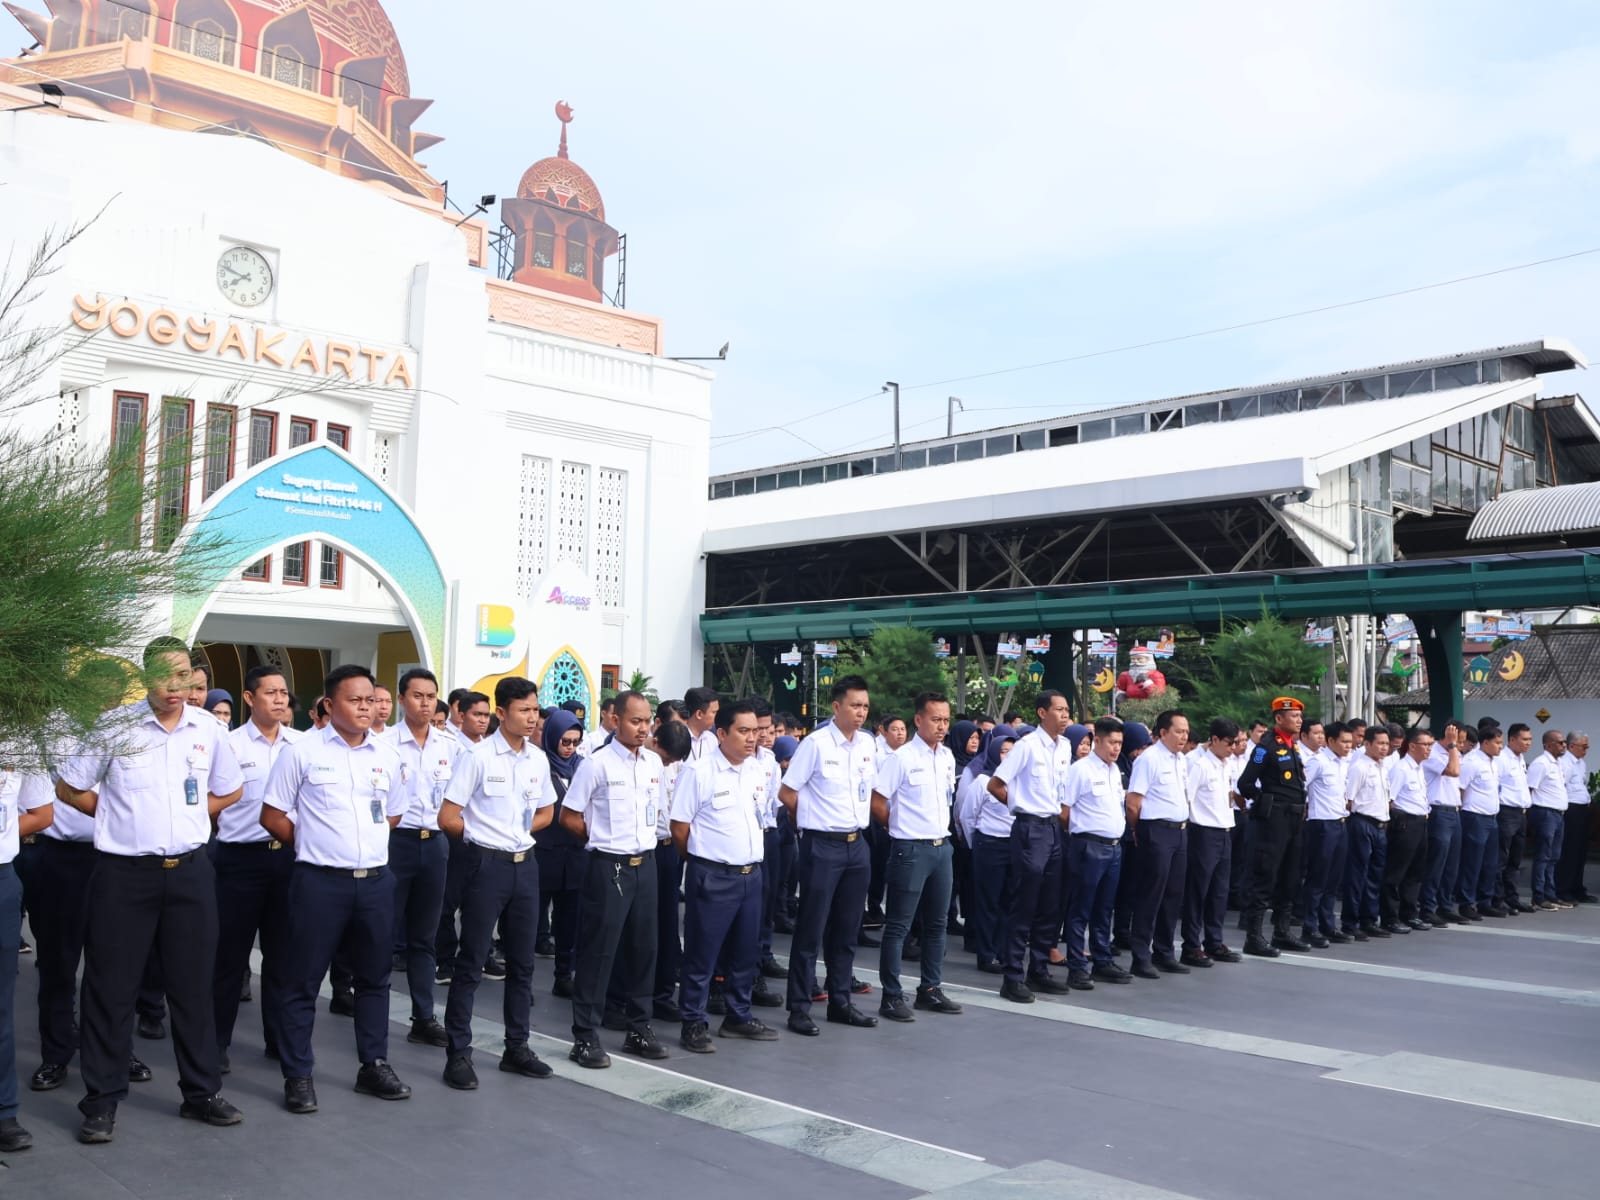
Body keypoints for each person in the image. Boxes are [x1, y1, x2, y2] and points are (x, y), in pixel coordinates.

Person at [54, 637, 245, 1143]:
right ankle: (101, 1102)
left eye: (185, 676)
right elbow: (68, 785)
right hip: (123, 876)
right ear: (146, 678)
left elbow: (231, 788)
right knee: (109, 989)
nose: (177, 687)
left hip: (190, 873)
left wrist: (189, 819)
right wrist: (113, 815)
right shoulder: (114, 727)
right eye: (166, 677)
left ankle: (201, 1093)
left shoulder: (209, 730)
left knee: (192, 986)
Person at [261, 664, 410, 1115]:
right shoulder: (302, 752)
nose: (366, 708)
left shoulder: (386, 756)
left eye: (370, 700)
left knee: (374, 979)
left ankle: (374, 1064)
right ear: (330, 704)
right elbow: (272, 815)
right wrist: (313, 843)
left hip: (376, 884)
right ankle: (298, 1074)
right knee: (302, 981)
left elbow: (395, 814)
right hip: (319, 883)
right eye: (355, 700)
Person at [438, 677, 557, 1089]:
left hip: (525, 866)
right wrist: (478, 840)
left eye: (535, 710)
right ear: (501, 713)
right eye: (523, 710)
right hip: (485, 865)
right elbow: (448, 815)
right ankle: (458, 1053)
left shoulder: (538, 759)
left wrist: (519, 832)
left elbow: (546, 812)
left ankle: (517, 1048)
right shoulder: (478, 757)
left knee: (523, 964)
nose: (531, 718)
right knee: (471, 962)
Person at [561, 691, 669, 1068]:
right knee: (599, 951)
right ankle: (585, 1036)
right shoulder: (597, 764)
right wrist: (599, 841)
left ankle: (639, 1028)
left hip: (646, 863)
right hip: (609, 865)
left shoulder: (654, 763)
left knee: (644, 949)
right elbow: (570, 815)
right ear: (616, 721)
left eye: (647, 721)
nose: (643, 728)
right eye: (635, 721)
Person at [671, 699, 779, 1052]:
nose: (753, 739)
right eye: (743, 731)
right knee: (702, 955)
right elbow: (680, 827)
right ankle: (693, 1022)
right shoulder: (699, 772)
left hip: (751, 875)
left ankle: (738, 1015)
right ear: (722, 733)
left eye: (756, 731)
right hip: (713, 874)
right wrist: (704, 861)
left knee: (746, 952)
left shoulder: (756, 770)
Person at [213, 666, 301, 1074]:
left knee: (283, 957)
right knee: (229, 959)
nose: (280, 700)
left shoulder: (302, 745)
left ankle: (278, 1040)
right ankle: (215, 1044)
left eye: (284, 693)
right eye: (271, 693)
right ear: (249, 699)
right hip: (238, 861)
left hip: (287, 857)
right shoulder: (227, 745)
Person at [780, 675, 879, 1035]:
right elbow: (788, 792)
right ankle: (799, 1007)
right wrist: (808, 823)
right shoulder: (817, 744)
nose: (861, 712)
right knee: (811, 927)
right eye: (855, 705)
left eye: (865, 706)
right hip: (822, 845)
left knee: (847, 928)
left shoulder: (868, 744)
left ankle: (841, 1001)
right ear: (836, 706)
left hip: (857, 844)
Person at [378, 668, 457, 1049]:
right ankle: (372, 1012)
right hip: (396, 843)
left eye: (430, 696)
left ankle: (423, 1018)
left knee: (424, 937)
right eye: (417, 696)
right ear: (401, 699)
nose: (425, 703)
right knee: (383, 931)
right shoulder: (384, 743)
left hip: (435, 843)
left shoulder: (449, 746)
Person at [871, 692, 963, 1022]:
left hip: (942, 848)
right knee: (898, 925)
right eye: (935, 719)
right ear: (919, 720)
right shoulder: (902, 758)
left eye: (946, 720)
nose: (941, 726)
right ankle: (892, 996)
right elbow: (879, 801)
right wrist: (899, 829)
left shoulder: (948, 757)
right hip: (910, 848)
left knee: (937, 924)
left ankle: (930, 989)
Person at [988, 691, 1075, 1003]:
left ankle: (1038, 970)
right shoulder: (1026, 746)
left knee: (1050, 905)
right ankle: (1012, 976)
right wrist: (1019, 806)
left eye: (1067, 710)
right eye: (1059, 710)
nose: (1065, 715)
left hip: (1053, 828)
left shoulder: (1064, 746)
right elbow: (995, 784)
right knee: (1024, 904)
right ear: (1042, 713)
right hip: (1029, 829)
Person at [0, 764, 54, 1150]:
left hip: (1, 875)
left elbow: (41, 812)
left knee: (0, 1005)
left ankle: (4, 1111)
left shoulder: (17, 733)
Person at [1236, 696, 1310, 957]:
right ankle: (1254, 937)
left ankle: (1282, 930)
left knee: (1290, 876)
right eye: (1294, 716)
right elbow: (1245, 783)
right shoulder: (1263, 747)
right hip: (1273, 821)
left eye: (1300, 717)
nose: (1299, 721)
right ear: (1279, 718)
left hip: (1295, 820)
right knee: (1265, 876)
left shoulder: (1293, 746)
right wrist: (1264, 800)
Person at [1060, 717, 1130, 990]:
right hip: (1088, 845)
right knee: (1081, 908)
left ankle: (1102, 961)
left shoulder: (1115, 770)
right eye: (1112, 742)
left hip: (1113, 847)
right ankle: (1077, 966)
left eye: (1120, 743)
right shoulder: (1081, 770)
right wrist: (1081, 834)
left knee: (1104, 908)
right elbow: (1064, 811)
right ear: (1097, 740)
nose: (1116, 748)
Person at [1124, 710, 1192, 978]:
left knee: (1173, 894)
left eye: (1186, 732)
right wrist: (1138, 829)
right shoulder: (1149, 759)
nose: (1183, 736)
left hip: (1180, 831)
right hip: (1156, 829)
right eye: (1178, 731)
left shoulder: (1181, 760)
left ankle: (1164, 952)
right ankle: (1141, 956)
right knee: (1150, 894)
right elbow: (1133, 801)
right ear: (1162, 733)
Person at [1180, 717, 1241, 968]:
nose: (1233, 748)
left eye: (1236, 743)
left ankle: (1214, 941)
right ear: (1214, 739)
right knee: (1198, 891)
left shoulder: (1225, 763)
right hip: (1203, 832)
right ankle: (1191, 945)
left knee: (1219, 891)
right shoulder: (1198, 764)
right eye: (1229, 742)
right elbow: (1187, 799)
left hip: (1224, 830)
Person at [535, 710, 587, 997]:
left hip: (575, 854)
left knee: (570, 920)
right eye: (564, 742)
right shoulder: (539, 765)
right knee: (532, 919)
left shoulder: (582, 767)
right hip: (544, 853)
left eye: (575, 742)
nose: (569, 748)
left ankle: (564, 973)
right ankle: (522, 978)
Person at [963, 727, 1017, 974]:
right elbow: (967, 817)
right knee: (988, 903)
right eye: (1004, 751)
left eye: (1013, 752)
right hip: (989, 845)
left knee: (1009, 902)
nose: (1008, 756)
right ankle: (986, 954)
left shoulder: (1019, 781)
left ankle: (1004, 950)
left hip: (1014, 845)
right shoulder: (983, 781)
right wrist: (977, 844)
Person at [1300, 721, 1353, 947]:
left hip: (1340, 823)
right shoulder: (1318, 762)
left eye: (1351, 742)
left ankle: (1328, 925)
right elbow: (1302, 787)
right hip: (1321, 824)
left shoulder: (1343, 763)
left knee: (1333, 879)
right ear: (1331, 741)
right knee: (1317, 879)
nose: (1349, 746)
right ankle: (1309, 927)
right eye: (1344, 741)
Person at [1382, 727, 1433, 933]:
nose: (1430, 749)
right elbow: (1389, 799)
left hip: (1421, 821)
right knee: (1396, 872)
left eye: (1431, 745)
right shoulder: (1401, 769)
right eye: (1426, 745)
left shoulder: (1419, 768)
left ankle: (1409, 913)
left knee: (1416, 871)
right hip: (1405, 823)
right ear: (1412, 746)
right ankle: (1390, 917)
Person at [1342, 725, 1391, 939]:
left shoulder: (1383, 766)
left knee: (1374, 875)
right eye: (1379, 743)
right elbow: (1348, 800)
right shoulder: (1359, 766)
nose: (1384, 748)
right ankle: (1350, 922)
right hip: (1362, 823)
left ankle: (1369, 919)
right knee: (1357, 875)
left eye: (1386, 744)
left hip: (1380, 825)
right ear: (1367, 744)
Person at [1455, 725, 1504, 920]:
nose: (1501, 746)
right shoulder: (1472, 762)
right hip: (1474, 816)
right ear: (1485, 742)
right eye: (1498, 743)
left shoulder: (1493, 762)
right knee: (1472, 863)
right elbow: (1460, 788)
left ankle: (1485, 901)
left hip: (1491, 817)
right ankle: (1466, 903)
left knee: (1490, 863)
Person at [1419, 720, 1464, 925]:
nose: (1460, 745)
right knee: (1436, 863)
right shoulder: (1433, 754)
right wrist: (1452, 746)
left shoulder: (1454, 753)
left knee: (1452, 864)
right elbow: (1454, 772)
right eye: (1457, 740)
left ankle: (1445, 905)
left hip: (1454, 811)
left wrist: (1454, 749)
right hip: (1438, 811)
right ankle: (1428, 907)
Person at [1525, 731, 1568, 909]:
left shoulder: (1557, 763)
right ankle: (1539, 896)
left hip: (1558, 814)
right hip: (1545, 813)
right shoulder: (1541, 763)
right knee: (1543, 855)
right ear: (1548, 745)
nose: (1564, 745)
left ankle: (1550, 893)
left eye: (1564, 742)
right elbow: (1529, 788)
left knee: (1554, 857)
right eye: (1560, 742)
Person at [1495, 723, 1534, 914]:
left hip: (1521, 813)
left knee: (1516, 860)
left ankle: (1512, 898)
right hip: (1506, 812)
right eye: (1524, 739)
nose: (1528, 743)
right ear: (1512, 739)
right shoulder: (1502, 758)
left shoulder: (1520, 759)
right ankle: (1497, 898)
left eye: (1530, 739)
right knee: (1502, 858)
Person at [1556, 732, 1593, 904]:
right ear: (1572, 746)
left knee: (1580, 851)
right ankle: (1564, 889)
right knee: (1570, 851)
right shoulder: (1565, 763)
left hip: (1582, 809)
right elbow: (1562, 786)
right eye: (1584, 746)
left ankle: (1577, 888)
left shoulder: (1580, 763)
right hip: (1571, 809)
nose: (1586, 750)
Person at [684, 687, 720, 760]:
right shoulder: (678, 738)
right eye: (714, 712)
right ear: (699, 714)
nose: (717, 716)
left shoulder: (711, 739)